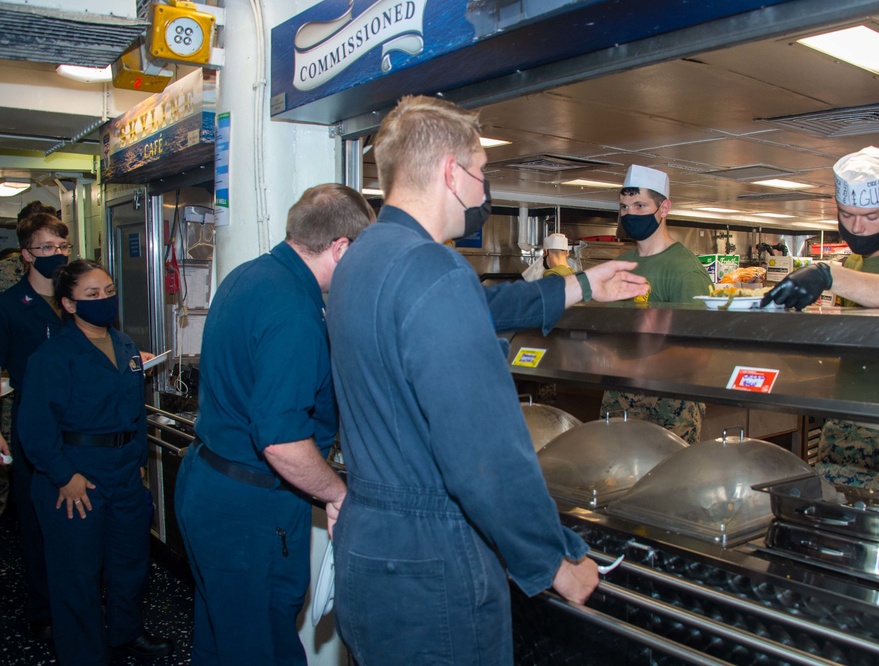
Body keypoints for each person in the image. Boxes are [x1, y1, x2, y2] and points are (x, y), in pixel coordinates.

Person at [327, 94, 649, 665]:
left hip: (370, 549)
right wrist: (554, 560)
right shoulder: (434, 269)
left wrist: (581, 286)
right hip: (434, 565)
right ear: (451, 172)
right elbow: (485, 455)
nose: (482, 191)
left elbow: (476, 305)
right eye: (481, 173)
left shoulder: (364, 258)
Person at [174, 184, 373, 665]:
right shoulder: (294, 312)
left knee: (223, 638)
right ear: (341, 247)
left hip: (208, 482)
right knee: (263, 646)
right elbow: (282, 444)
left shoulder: (249, 276)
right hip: (249, 510)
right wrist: (336, 494)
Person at [762, 143, 879, 494]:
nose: (858, 228)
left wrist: (827, 273)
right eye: (847, 215)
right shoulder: (855, 263)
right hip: (847, 412)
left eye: (872, 217)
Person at [16, 260, 174, 664]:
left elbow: (133, 411)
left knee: (130, 562)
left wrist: (137, 462)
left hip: (122, 470)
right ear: (69, 304)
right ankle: (84, 653)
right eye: (91, 295)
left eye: (107, 291)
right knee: (77, 573)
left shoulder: (124, 345)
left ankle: (126, 632)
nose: (104, 299)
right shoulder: (52, 356)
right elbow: (34, 427)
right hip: (74, 472)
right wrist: (62, 475)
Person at [599, 164, 713, 444]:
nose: (630, 214)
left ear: (664, 208)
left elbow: (701, 353)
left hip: (669, 406)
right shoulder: (619, 265)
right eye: (624, 207)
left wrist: (634, 365)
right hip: (618, 397)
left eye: (640, 205)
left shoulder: (685, 270)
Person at [0, 206, 66, 641]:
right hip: (30, 422)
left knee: (75, 513)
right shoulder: (9, 306)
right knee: (36, 514)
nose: (55, 254)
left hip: (78, 423)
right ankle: (42, 605)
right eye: (45, 248)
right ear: (26, 255)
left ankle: (75, 595)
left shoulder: (77, 298)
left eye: (61, 246)